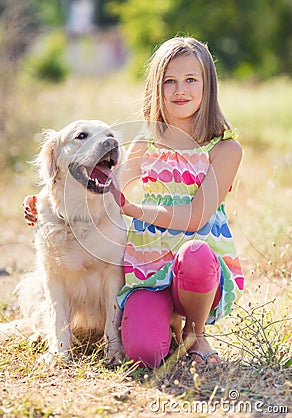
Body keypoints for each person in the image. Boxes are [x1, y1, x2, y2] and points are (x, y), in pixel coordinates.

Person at [24, 36, 244, 369]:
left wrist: (133, 209)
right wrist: (45, 203)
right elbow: (102, 187)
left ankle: (195, 334)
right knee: (143, 353)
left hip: (200, 267)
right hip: (150, 267)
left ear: (208, 86)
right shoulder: (145, 145)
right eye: (169, 81)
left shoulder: (226, 149)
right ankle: (160, 322)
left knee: (196, 256)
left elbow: (194, 218)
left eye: (190, 80)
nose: (179, 89)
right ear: (157, 88)